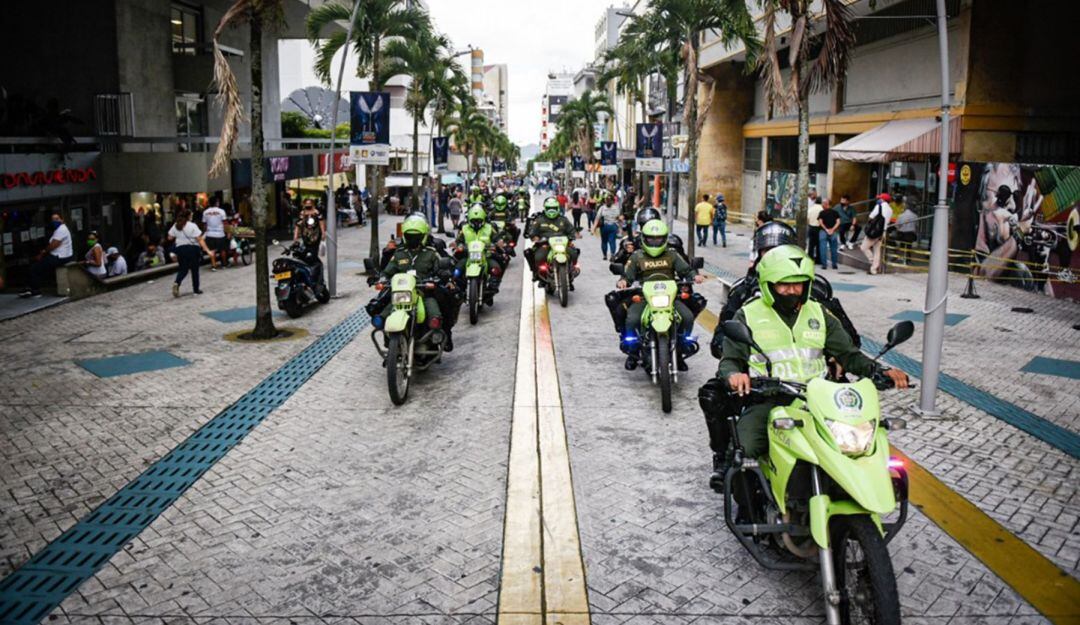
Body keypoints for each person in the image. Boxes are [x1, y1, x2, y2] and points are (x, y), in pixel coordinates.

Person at [719, 245, 909, 462]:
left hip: (822, 400)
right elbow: (730, 361)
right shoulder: (748, 315)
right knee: (744, 448)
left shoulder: (819, 312)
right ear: (768, 284)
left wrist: (880, 370)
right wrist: (734, 375)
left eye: (798, 284)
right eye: (784, 285)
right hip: (771, 400)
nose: (792, 291)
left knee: (862, 448)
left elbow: (849, 354)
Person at [617, 219, 704, 371]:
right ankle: (632, 353)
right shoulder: (637, 256)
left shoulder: (672, 254)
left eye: (658, 239)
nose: (655, 243)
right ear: (644, 239)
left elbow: (686, 270)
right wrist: (623, 281)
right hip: (645, 298)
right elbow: (627, 276)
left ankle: (680, 351)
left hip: (669, 298)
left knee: (687, 317)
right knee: (632, 319)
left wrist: (694, 276)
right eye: (651, 239)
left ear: (664, 239)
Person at [375, 215, 454, 351]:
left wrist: (442, 276)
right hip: (401, 295)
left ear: (423, 236)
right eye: (409, 236)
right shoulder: (399, 254)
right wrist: (382, 279)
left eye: (416, 236)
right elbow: (387, 271)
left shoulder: (431, 253)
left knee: (437, 314)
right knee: (381, 314)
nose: (412, 239)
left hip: (424, 293)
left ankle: (442, 339)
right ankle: (390, 343)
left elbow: (440, 269)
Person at [21, 213, 75, 298]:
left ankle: (35, 291)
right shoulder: (59, 229)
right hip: (59, 255)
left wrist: (43, 252)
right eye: (53, 219)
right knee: (39, 266)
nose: (54, 221)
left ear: (62, 220)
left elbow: (54, 244)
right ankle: (30, 287)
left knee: (35, 268)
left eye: (57, 219)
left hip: (60, 257)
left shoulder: (62, 230)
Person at [525, 197, 579, 280]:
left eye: (553, 208)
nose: (551, 210)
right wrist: (535, 237)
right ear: (545, 208)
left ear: (557, 208)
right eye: (549, 208)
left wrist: (575, 234)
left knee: (574, 253)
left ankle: (572, 270)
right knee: (538, 257)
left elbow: (572, 230)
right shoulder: (539, 220)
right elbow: (532, 232)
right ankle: (537, 274)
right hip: (545, 244)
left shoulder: (563, 220)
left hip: (562, 244)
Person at [167, 209, 215, 297]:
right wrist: (208, 251)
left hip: (180, 249)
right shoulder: (192, 225)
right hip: (193, 249)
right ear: (188, 216)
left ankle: (177, 282)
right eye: (191, 215)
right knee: (194, 270)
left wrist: (179, 236)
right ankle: (196, 290)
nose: (192, 216)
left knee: (183, 269)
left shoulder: (176, 225)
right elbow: (199, 239)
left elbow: (170, 237)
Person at [860, 193, 893, 275]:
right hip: (882, 232)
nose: (878, 200)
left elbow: (871, 216)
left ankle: (873, 262)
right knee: (877, 250)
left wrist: (869, 224)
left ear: (883, 200)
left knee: (863, 247)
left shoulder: (879, 206)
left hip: (874, 231)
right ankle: (874, 269)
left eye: (880, 198)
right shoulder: (890, 209)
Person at [592, 192, 623, 260]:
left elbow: (597, 218)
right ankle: (612, 254)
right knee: (612, 241)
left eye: (608, 200)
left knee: (604, 241)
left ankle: (605, 255)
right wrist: (620, 227)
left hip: (605, 227)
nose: (607, 201)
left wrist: (593, 228)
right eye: (607, 200)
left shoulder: (602, 208)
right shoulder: (616, 208)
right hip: (613, 227)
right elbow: (619, 218)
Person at [202, 199, 229, 269]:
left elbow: (204, 225)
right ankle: (224, 264)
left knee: (212, 250)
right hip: (220, 233)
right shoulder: (221, 211)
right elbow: (225, 223)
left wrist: (205, 231)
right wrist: (228, 232)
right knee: (222, 250)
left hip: (209, 234)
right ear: (217, 203)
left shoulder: (205, 212)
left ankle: (214, 265)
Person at [817, 198, 841, 270]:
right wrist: (832, 229)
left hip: (823, 232)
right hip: (833, 232)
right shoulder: (835, 212)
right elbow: (838, 222)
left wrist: (826, 229)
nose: (822, 205)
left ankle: (824, 265)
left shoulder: (822, 213)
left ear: (826, 204)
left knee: (823, 248)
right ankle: (834, 264)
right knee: (834, 248)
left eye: (823, 203)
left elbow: (820, 222)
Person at [806, 194, 824, 265]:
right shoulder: (822, 209)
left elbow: (807, 219)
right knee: (818, 244)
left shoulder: (811, 208)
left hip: (811, 227)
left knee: (811, 244)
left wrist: (810, 224)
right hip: (819, 228)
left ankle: (810, 258)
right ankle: (818, 260)